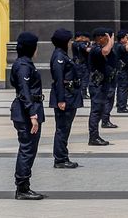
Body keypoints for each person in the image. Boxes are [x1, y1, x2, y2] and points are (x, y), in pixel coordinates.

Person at [10, 32, 45, 200]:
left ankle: (24, 185)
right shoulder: (23, 65)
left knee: (29, 149)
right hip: (26, 113)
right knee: (27, 150)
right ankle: (22, 188)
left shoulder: (24, 63)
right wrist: (32, 115)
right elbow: (24, 91)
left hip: (29, 110)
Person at [49, 28, 81, 170]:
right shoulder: (59, 56)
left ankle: (63, 156)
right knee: (62, 129)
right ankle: (60, 159)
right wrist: (61, 100)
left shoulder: (62, 55)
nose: (70, 43)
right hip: (65, 97)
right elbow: (59, 79)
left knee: (65, 128)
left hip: (69, 96)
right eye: (69, 40)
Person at [87, 28, 116, 145]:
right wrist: (111, 41)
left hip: (103, 84)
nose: (109, 40)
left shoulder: (102, 48)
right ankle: (93, 137)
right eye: (106, 37)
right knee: (96, 111)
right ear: (100, 38)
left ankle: (95, 136)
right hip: (97, 85)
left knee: (99, 110)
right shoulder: (95, 49)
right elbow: (105, 51)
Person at [114, 31, 128, 115]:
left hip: (122, 70)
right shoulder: (120, 46)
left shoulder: (117, 45)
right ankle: (122, 107)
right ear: (122, 39)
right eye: (126, 37)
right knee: (123, 88)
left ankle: (120, 103)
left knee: (120, 88)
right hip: (123, 71)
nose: (127, 39)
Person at [72, 32, 91, 99]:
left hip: (78, 64)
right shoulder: (80, 44)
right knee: (84, 79)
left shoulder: (74, 44)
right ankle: (83, 93)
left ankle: (80, 93)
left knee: (80, 79)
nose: (83, 39)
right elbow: (87, 50)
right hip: (82, 65)